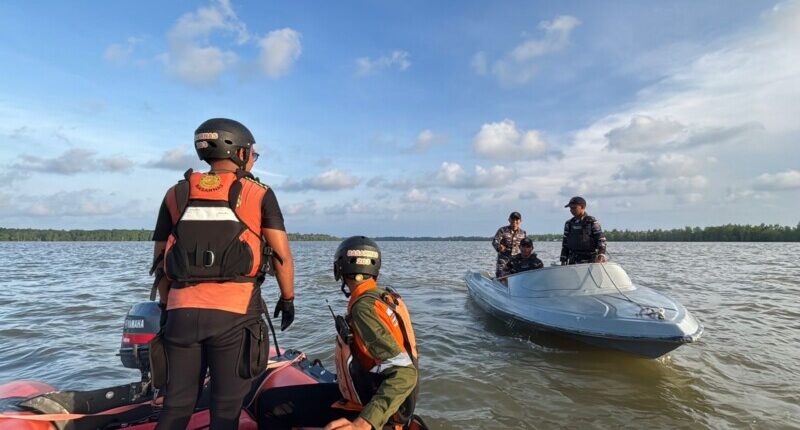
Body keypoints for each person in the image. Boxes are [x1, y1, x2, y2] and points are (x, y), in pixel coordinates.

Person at [150, 118, 295, 430]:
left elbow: (160, 262)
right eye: (253, 153)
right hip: (235, 315)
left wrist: (166, 307)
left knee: (176, 406)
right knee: (225, 410)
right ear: (239, 152)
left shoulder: (176, 193)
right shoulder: (258, 193)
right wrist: (288, 298)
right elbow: (282, 256)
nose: (254, 159)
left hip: (180, 314)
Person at [258, 236, 423, 430]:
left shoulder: (363, 309)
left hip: (375, 411)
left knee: (269, 405)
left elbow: (405, 374)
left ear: (340, 269)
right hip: (379, 401)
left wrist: (362, 424)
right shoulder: (384, 299)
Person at [560, 196, 607, 265]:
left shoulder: (592, 222)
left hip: (590, 261)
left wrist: (601, 254)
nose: (571, 210)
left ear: (582, 207)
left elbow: (601, 240)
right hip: (572, 261)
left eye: (574, 208)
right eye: (570, 208)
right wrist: (563, 260)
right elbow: (565, 244)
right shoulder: (569, 223)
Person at [492, 211, 527, 278]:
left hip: (517, 261)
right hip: (503, 261)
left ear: (521, 221)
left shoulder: (523, 233)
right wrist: (499, 247)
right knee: (502, 278)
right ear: (509, 220)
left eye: (517, 219)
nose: (514, 221)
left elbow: (526, 246)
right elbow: (495, 241)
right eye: (513, 219)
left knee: (519, 277)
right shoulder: (502, 230)